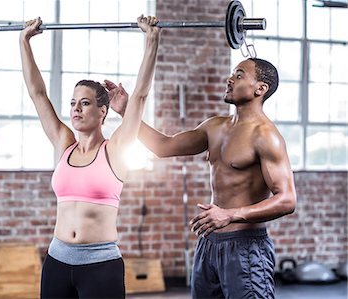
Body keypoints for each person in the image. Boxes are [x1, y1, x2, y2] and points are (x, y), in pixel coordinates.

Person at [105, 57, 297, 299]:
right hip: (209, 245)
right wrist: (126, 112)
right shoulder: (215, 127)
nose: (230, 79)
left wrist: (230, 214)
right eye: (232, 74)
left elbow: (288, 200)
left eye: (239, 75)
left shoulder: (266, 136)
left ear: (260, 89)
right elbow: (164, 146)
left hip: (246, 248)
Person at [20, 14, 160, 299]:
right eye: (73, 103)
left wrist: (151, 40)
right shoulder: (64, 144)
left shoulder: (115, 149)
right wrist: (24, 42)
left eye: (85, 103)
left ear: (102, 112)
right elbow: (37, 94)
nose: (76, 109)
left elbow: (141, 96)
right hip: (57, 261)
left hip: (100, 265)